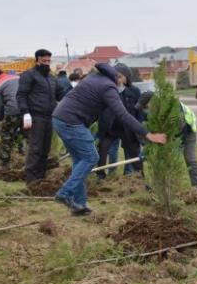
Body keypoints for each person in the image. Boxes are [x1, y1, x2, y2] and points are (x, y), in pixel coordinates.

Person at [52, 63, 167, 215]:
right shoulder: (108, 86)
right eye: (124, 81)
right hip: (72, 122)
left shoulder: (94, 78)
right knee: (91, 158)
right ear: (119, 76)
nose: (123, 85)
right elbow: (124, 115)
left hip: (60, 118)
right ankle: (65, 193)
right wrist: (148, 134)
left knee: (79, 161)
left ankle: (79, 206)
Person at [16, 49, 66, 184]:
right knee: (35, 147)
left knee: (45, 148)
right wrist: (25, 112)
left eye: (49, 61)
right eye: (44, 61)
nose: (47, 63)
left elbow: (60, 94)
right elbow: (21, 95)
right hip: (35, 116)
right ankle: (31, 179)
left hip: (49, 117)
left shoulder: (51, 78)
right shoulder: (29, 75)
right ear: (37, 60)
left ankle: (41, 176)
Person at [137, 91, 197, 188]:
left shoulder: (172, 107)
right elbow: (147, 132)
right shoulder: (150, 112)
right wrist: (147, 148)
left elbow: (180, 128)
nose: (145, 109)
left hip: (188, 130)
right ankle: (157, 185)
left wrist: (176, 147)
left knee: (190, 159)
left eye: (146, 106)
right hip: (170, 133)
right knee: (159, 158)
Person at [95, 63, 142, 178]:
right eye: (115, 76)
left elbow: (139, 111)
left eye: (120, 76)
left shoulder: (134, 91)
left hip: (128, 128)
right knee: (102, 151)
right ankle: (100, 176)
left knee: (132, 152)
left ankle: (134, 175)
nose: (118, 79)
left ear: (127, 77)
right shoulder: (107, 89)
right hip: (109, 128)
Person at [0, 69, 22, 168]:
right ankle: (35, 161)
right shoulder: (18, 77)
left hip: (12, 111)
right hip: (27, 110)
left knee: (6, 137)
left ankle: (5, 164)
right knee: (30, 137)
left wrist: (1, 118)